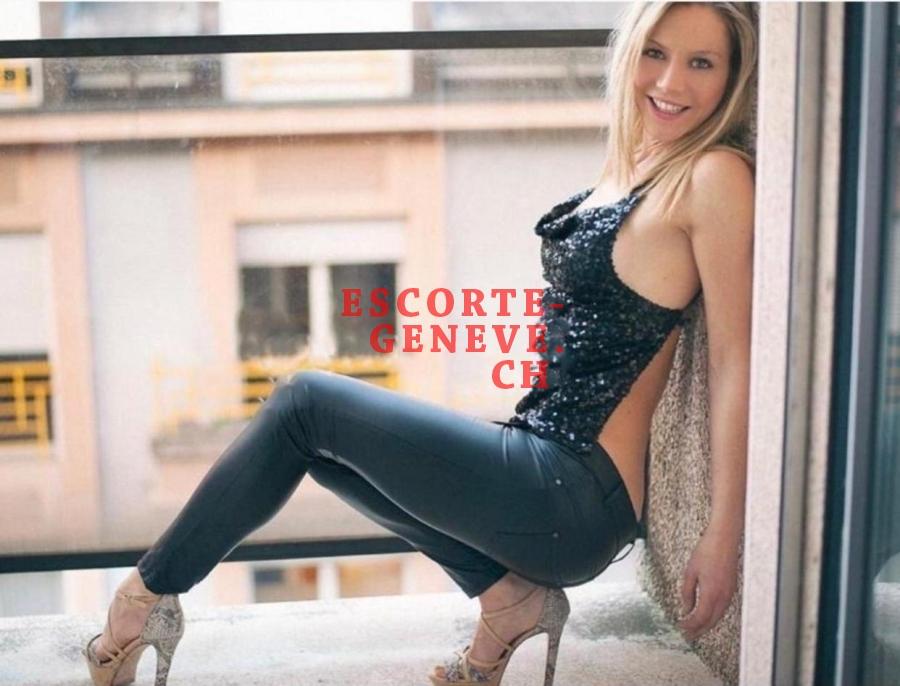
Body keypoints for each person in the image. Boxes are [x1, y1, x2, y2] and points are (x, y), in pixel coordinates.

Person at [80, 2, 757, 685]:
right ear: (630, 53)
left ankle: (139, 602)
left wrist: (723, 535)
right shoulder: (642, 162)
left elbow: (736, 361)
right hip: (544, 463)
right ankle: (510, 601)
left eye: (701, 63)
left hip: (575, 495)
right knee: (318, 447)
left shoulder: (714, 177)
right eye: (656, 53)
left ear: (732, 79)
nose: (671, 82)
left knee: (304, 403)